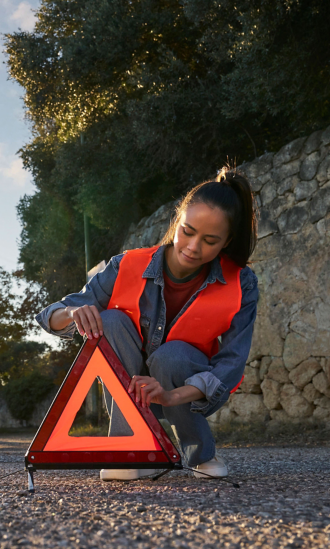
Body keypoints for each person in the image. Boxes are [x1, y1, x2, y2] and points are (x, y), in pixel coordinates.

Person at [36, 166, 259, 480]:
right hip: (127, 389)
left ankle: (200, 454)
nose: (193, 247)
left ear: (227, 241)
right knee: (110, 320)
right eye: (188, 231)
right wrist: (72, 314)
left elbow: (231, 363)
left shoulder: (242, 283)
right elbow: (51, 315)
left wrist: (171, 396)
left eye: (210, 240)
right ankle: (127, 449)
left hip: (185, 391)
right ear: (177, 220)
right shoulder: (126, 264)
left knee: (172, 356)